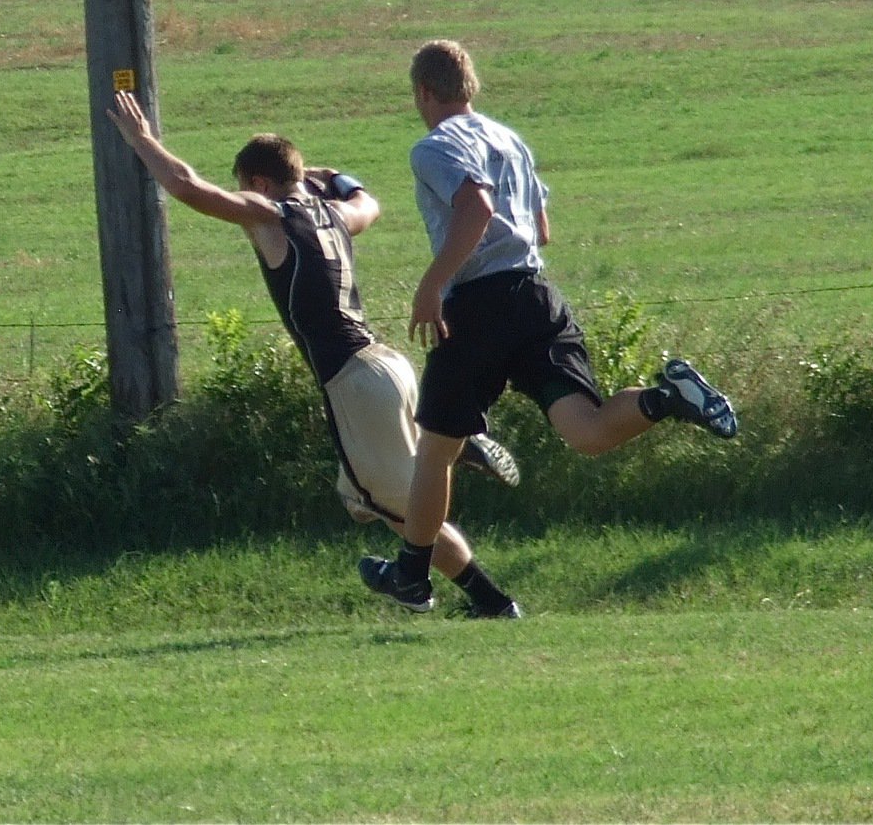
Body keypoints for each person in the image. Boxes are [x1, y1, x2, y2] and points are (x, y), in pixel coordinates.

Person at [107, 90, 523, 618]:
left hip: (353, 380)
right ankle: (445, 454)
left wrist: (142, 141)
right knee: (357, 496)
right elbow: (368, 203)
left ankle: (484, 596)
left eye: (245, 188)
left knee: (405, 514)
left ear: (258, 184)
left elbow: (188, 186)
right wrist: (336, 176)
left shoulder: (271, 215)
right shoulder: (334, 213)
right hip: (387, 365)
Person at [359, 39, 738, 613]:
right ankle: (665, 399)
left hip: (479, 306)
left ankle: (412, 576)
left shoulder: (433, 146)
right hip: (536, 297)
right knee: (587, 431)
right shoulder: (510, 139)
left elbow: (476, 208)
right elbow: (540, 228)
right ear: (471, 86)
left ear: (423, 92)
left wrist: (433, 283)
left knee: (435, 448)